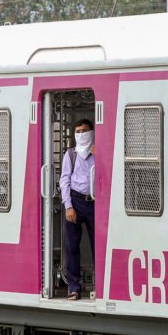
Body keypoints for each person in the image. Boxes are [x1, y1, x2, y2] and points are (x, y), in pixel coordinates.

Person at [59, 118, 95, 301]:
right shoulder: (70, 154)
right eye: (78, 131)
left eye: (85, 131)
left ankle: (101, 287)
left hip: (95, 202)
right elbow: (64, 180)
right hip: (76, 200)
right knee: (72, 246)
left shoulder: (98, 151)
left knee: (99, 245)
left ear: (92, 132)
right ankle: (74, 288)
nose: (81, 134)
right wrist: (68, 206)